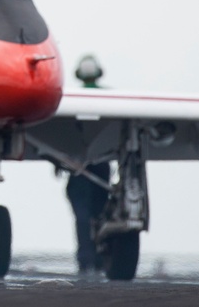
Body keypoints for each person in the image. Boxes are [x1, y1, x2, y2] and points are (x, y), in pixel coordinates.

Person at [65, 55, 111, 276]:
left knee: (82, 218)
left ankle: (86, 262)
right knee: (100, 214)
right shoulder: (109, 97)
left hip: (78, 168)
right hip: (101, 167)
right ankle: (100, 259)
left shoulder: (71, 99)